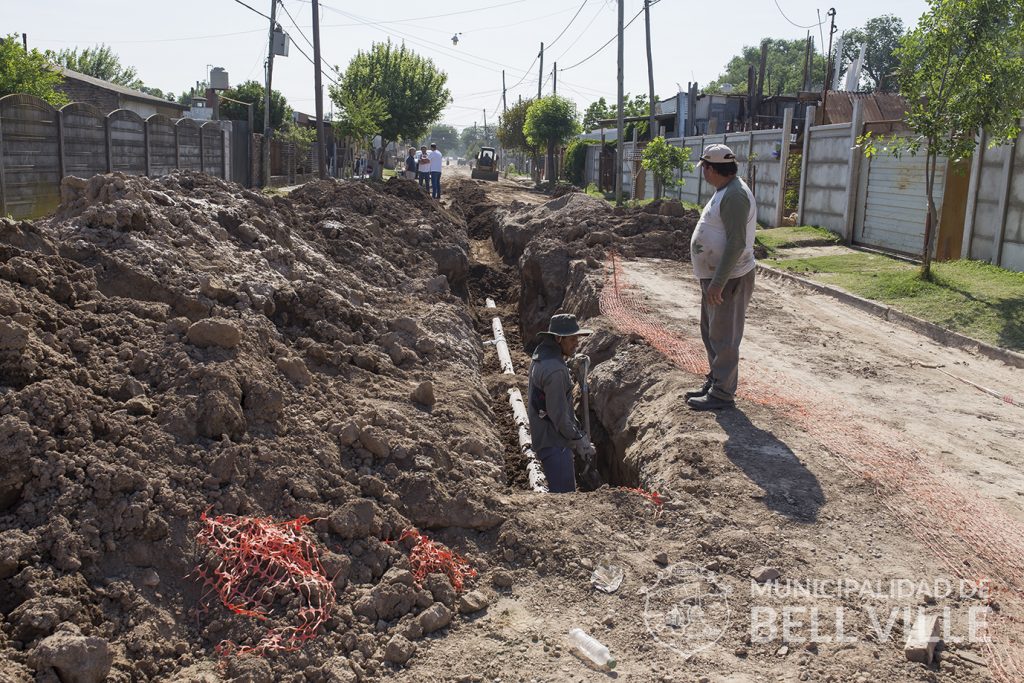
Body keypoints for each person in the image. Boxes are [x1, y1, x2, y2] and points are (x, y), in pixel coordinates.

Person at [685, 144, 757, 411]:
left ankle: (723, 393)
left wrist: (718, 282)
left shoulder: (735, 196)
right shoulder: (725, 191)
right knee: (712, 333)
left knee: (724, 336)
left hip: (730, 278)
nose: (703, 172)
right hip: (716, 277)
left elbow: (737, 242)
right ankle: (715, 381)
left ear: (711, 168)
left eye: (704, 167)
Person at [527, 313, 597, 493]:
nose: (577, 343)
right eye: (572, 339)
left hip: (546, 436)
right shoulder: (556, 371)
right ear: (558, 338)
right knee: (564, 498)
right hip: (554, 443)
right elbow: (558, 415)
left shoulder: (542, 355)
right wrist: (578, 439)